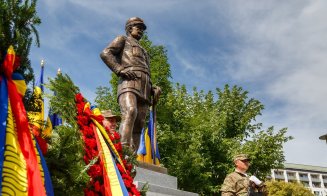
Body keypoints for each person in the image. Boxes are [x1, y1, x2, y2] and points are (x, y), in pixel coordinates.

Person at [100, 17, 161, 151]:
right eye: (138, 27)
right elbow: (105, 53)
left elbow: (145, 70)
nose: (141, 31)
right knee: (130, 111)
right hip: (129, 82)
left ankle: (132, 158)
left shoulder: (145, 51)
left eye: (142, 29)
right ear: (129, 28)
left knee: (139, 123)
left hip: (145, 87)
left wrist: (153, 88)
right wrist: (119, 69)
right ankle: (122, 150)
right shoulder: (122, 39)